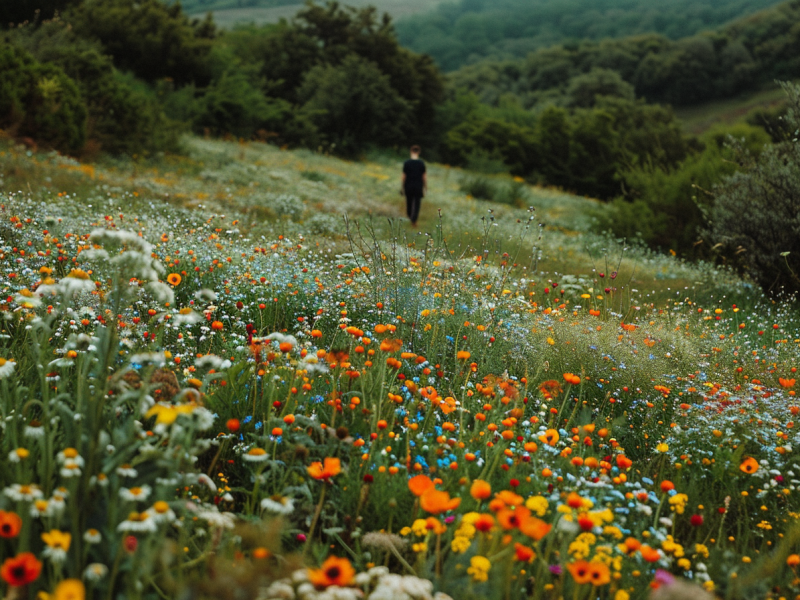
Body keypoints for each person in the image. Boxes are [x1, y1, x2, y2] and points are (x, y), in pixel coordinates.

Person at [401, 145, 427, 227]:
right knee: (417, 203)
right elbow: (424, 177)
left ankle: (409, 216)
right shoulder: (421, 163)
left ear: (411, 151)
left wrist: (402, 187)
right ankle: (414, 220)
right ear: (419, 152)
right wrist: (425, 187)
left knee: (409, 202)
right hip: (418, 186)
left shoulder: (407, 163)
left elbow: (404, 176)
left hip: (408, 185)